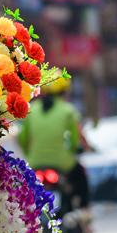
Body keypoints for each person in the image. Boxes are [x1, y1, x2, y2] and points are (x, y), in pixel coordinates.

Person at [18, 77, 90, 208]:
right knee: (81, 178)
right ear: (64, 91)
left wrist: (29, 154)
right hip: (63, 163)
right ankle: (84, 211)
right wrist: (74, 150)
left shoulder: (31, 110)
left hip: (35, 162)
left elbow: (22, 139)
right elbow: (74, 140)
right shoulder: (68, 110)